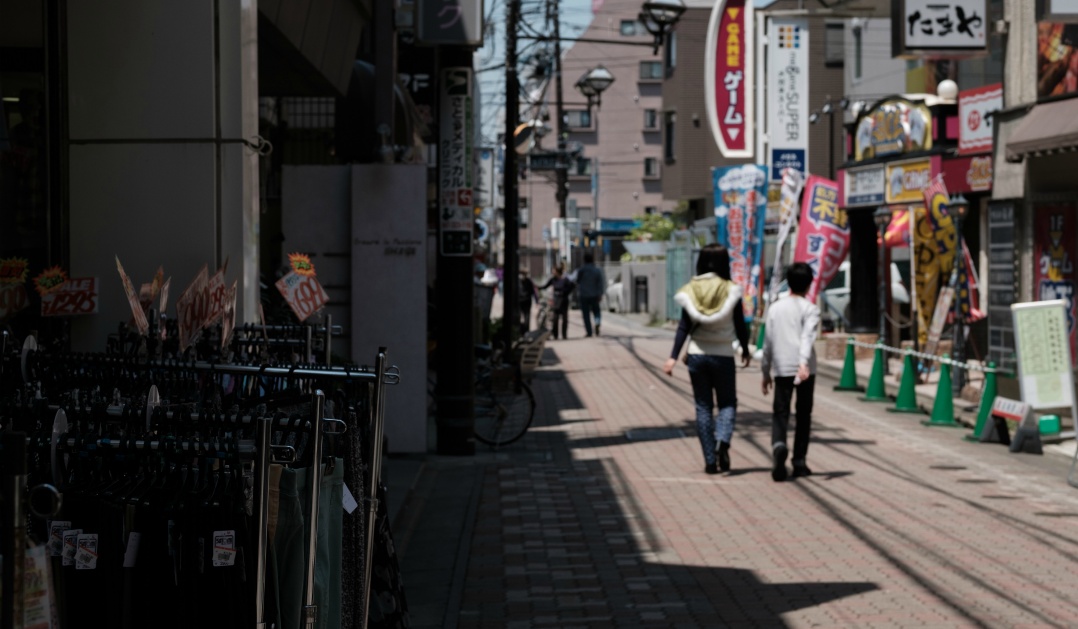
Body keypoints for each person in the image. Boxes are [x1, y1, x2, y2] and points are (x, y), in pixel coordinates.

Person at [662, 244, 751, 475]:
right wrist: (745, 349)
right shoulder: (730, 289)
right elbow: (740, 324)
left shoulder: (691, 289)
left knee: (703, 407)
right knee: (727, 404)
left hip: (696, 355)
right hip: (723, 354)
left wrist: (672, 357)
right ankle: (723, 440)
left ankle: (710, 461)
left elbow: (684, 326)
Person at [760, 262, 820, 482]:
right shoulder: (810, 309)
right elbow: (807, 337)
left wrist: (765, 371)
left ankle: (779, 445)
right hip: (806, 370)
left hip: (781, 365)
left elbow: (767, 342)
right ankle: (799, 461)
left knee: (780, 412)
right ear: (809, 284)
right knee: (803, 415)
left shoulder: (775, 307)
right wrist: (803, 362)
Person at [539, 264, 574, 340]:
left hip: (564, 300)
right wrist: (537, 287)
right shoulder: (553, 279)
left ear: (558, 271)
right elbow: (545, 286)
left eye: (554, 271)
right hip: (556, 300)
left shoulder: (565, 279)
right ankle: (555, 335)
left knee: (564, 318)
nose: (553, 272)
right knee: (555, 318)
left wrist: (565, 292)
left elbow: (572, 286)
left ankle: (564, 335)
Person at [575, 252, 606, 337]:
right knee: (596, 311)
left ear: (584, 260)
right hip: (595, 294)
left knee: (586, 314)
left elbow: (577, 281)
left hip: (584, 295)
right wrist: (600, 294)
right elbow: (600, 283)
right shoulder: (597, 270)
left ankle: (589, 332)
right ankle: (597, 322)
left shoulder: (581, 270)